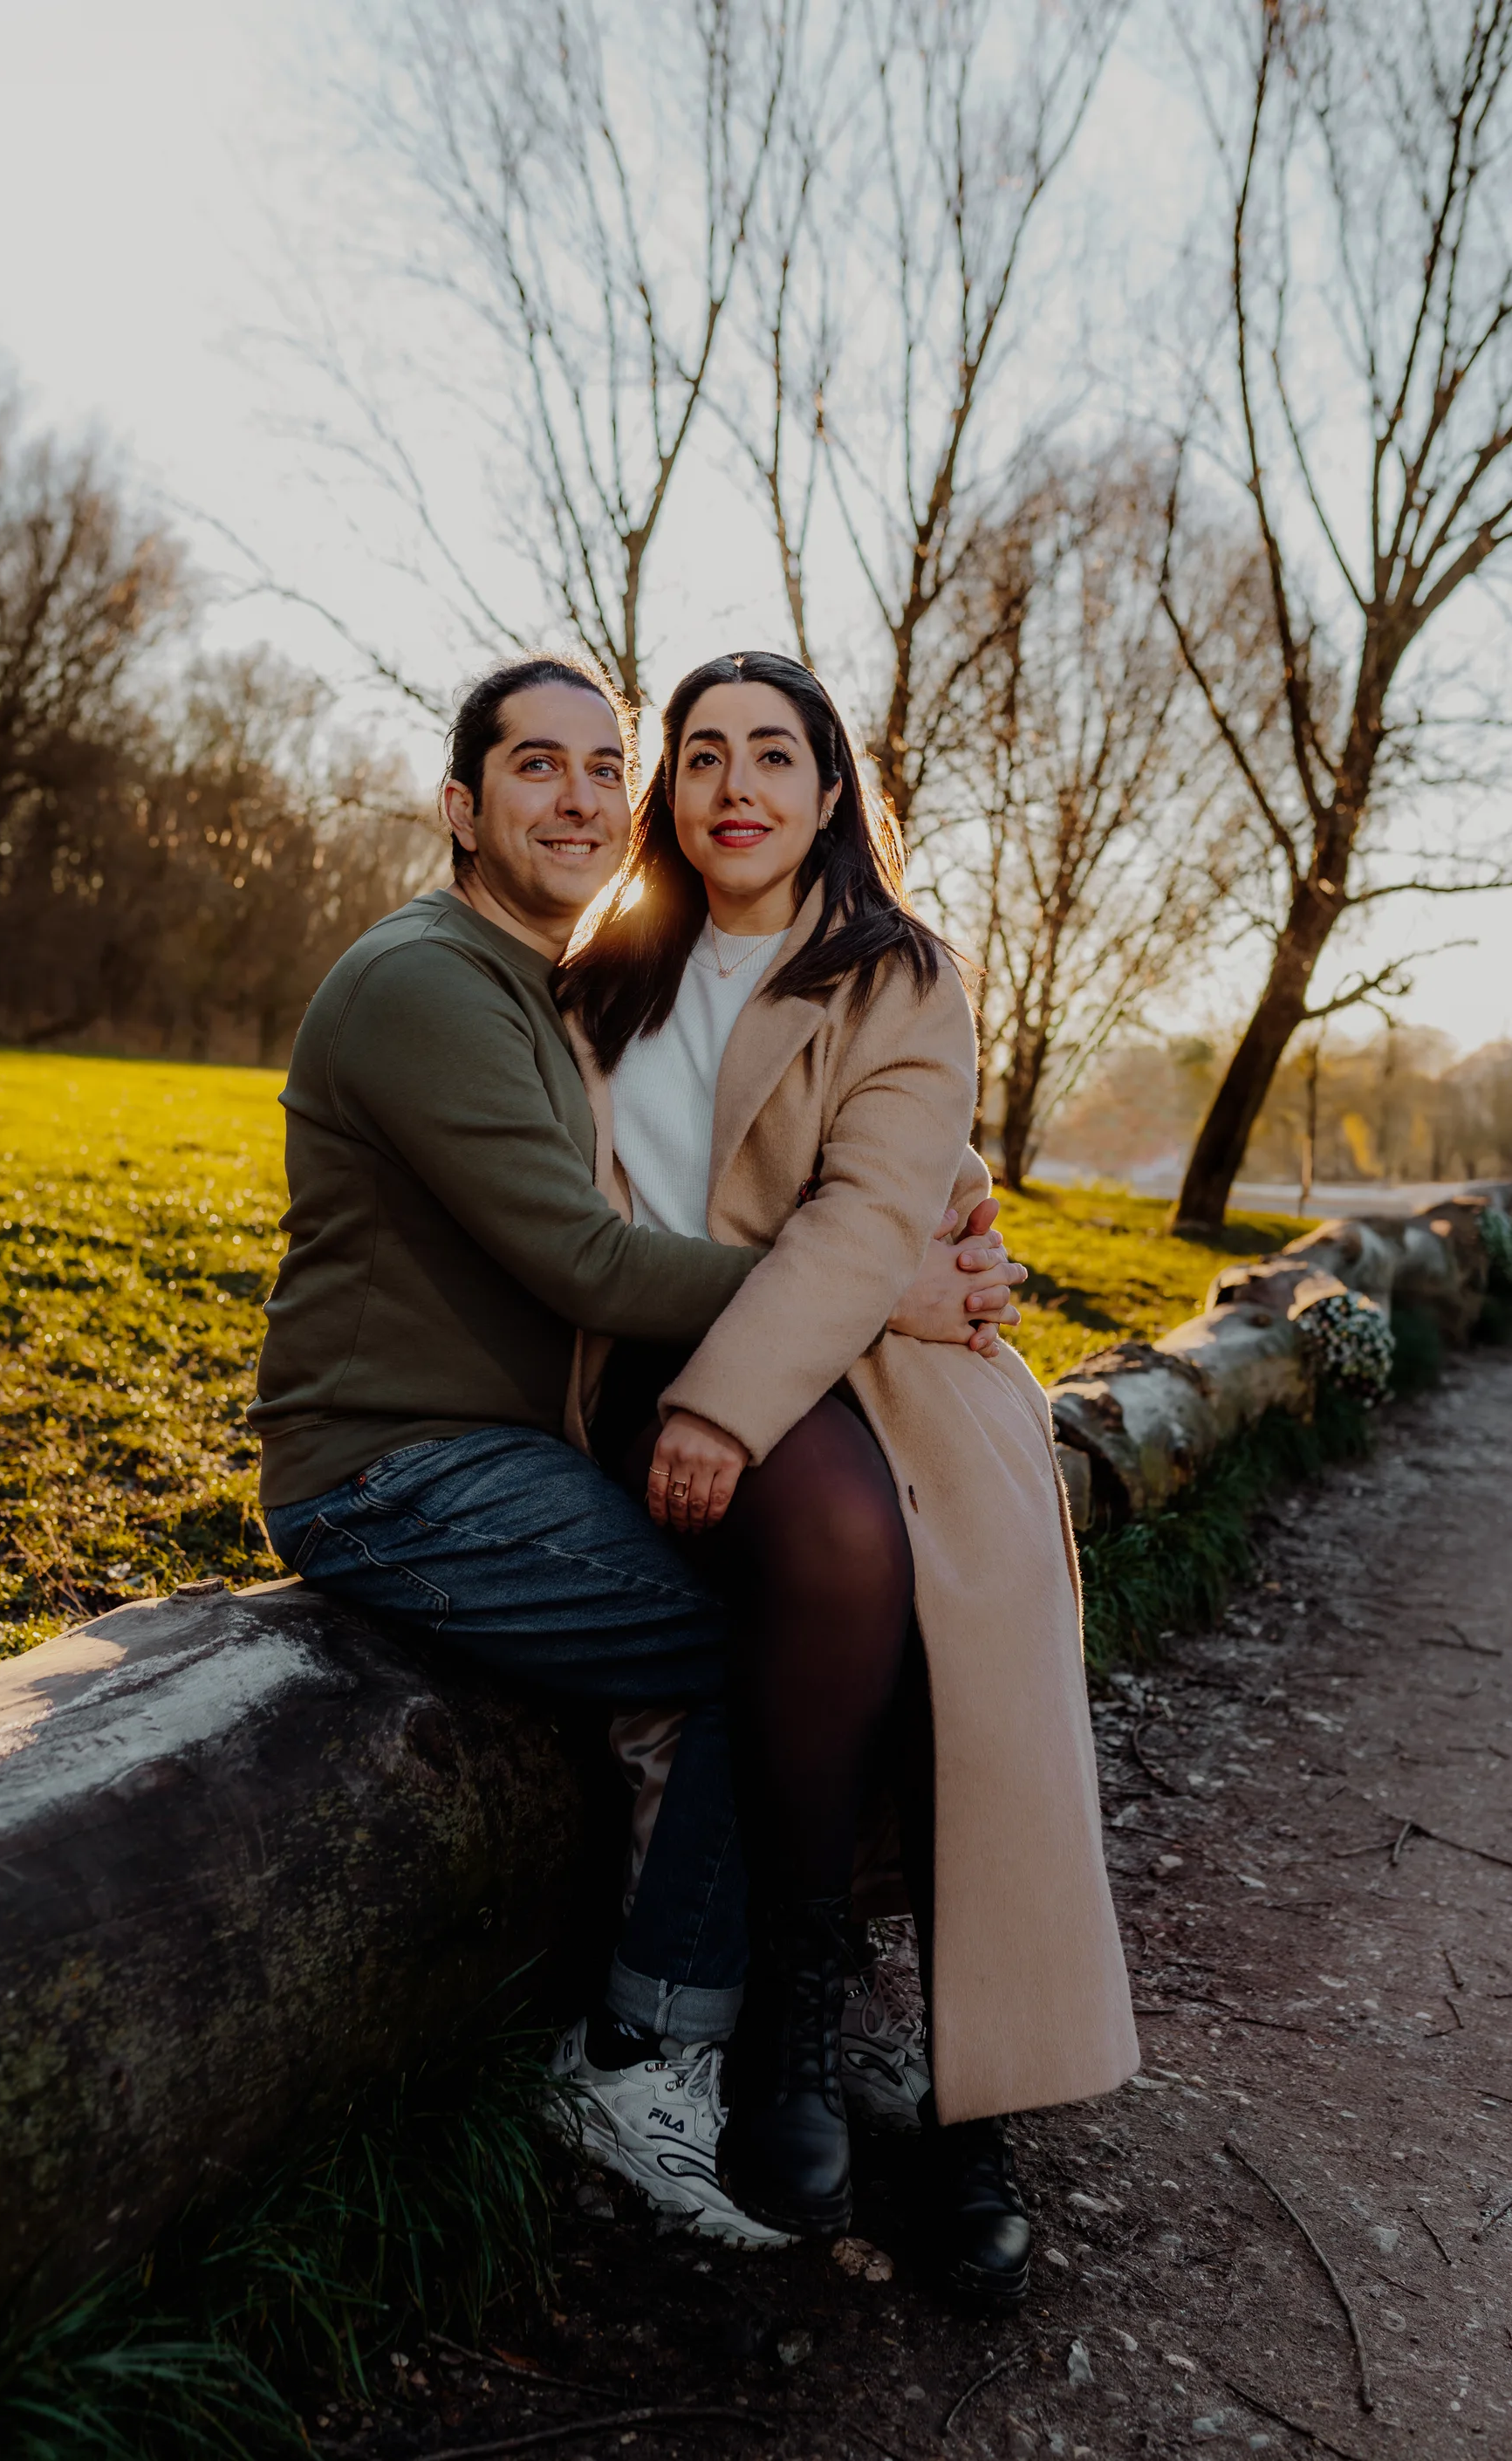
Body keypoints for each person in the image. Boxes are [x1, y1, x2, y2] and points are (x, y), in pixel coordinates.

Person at [250, 653, 1028, 2248]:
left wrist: (927, 1224)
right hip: (395, 1469)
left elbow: (849, 1144)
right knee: (759, 1641)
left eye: (606, 769)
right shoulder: (430, 980)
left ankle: (932, 2081)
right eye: (540, 768)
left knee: (864, 1605)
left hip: (509, 1451)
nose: (584, 798)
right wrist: (875, 1291)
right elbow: (595, 1263)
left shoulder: (574, 979)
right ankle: (643, 2053)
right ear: (459, 808)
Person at [558, 650, 1139, 2293]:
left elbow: (879, 1205)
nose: (733, 787)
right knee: (834, 1542)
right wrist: (728, 1396)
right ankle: (791, 2037)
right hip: (684, 1365)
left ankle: (976, 2110)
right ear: (669, 793)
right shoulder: (601, 982)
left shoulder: (900, 976)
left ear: (829, 793)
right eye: (701, 758)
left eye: (774, 756)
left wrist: (754, 1384)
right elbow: (589, 1228)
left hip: (898, 1367)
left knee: (972, 1605)